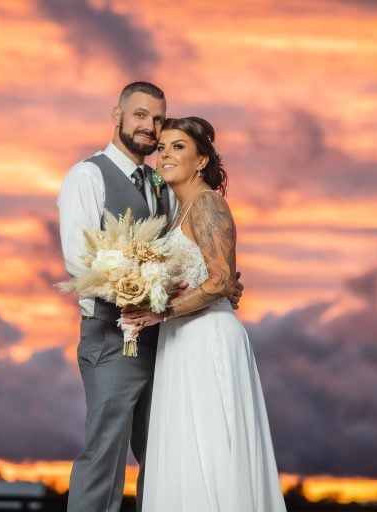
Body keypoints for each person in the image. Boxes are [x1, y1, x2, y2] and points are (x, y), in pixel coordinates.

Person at [57, 84, 244, 512]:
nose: (149, 127)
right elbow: (79, 261)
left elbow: (185, 253)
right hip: (112, 338)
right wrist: (143, 296)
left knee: (163, 458)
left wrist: (220, 281)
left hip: (168, 345)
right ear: (117, 115)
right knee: (105, 454)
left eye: (158, 119)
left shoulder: (162, 182)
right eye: (140, 115)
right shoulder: (87, 175)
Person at [123, 117, 287, 511]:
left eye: (178, 147)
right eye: (161, 147)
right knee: (184, 450)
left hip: (207, 338)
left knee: (213, 449)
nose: (165, 154)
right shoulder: (179, 212)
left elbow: (219, 280)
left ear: (201, 160)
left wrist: (161, 313)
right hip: (180, 344)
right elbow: (217, 278)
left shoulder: (208, 203)